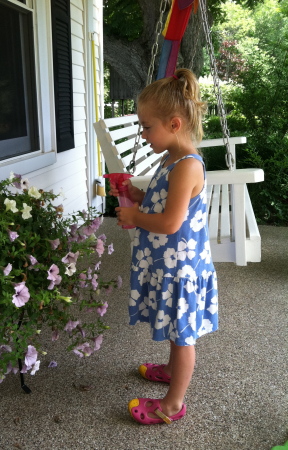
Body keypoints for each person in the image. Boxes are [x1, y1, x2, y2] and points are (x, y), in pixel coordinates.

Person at [109, 68, 218, 425]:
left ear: (173, 123)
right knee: (175, 328)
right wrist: (138, 196)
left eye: (146, 126)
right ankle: (171, 369)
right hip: (170, 266)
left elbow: (171, 223)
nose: (143, 134)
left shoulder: (187, 165)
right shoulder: (169, 159)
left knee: (183, 336)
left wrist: (135, 217)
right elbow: (167, 204)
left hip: (181, 270)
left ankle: (173, 404)